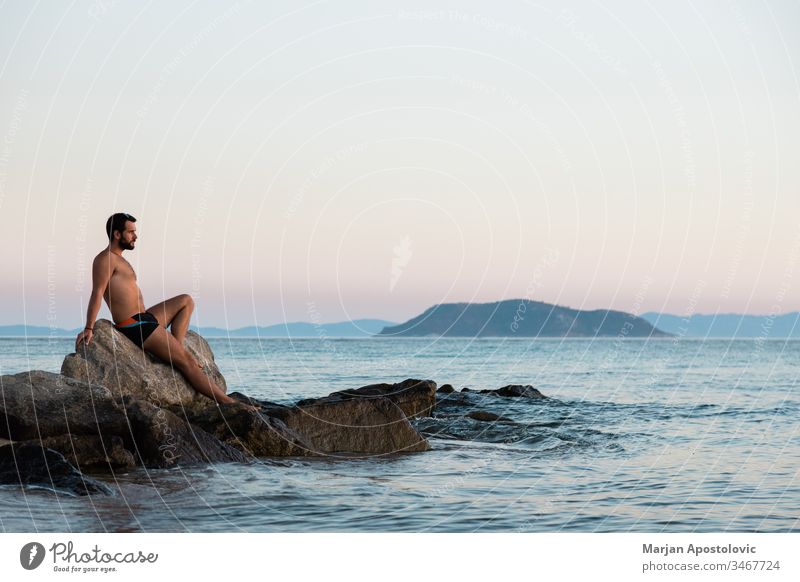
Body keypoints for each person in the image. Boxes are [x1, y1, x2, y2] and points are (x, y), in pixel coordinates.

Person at [75, 212, 250, 408]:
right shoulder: (105, 259)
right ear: (117, 234)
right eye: (131, 232)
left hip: (145, 318)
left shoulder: (120, 259)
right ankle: (229, 403)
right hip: (134, 325)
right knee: (188, 363)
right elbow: (97, 293)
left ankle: (177, 345)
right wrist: (89, 327)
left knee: (186, 301)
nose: (135, 236)